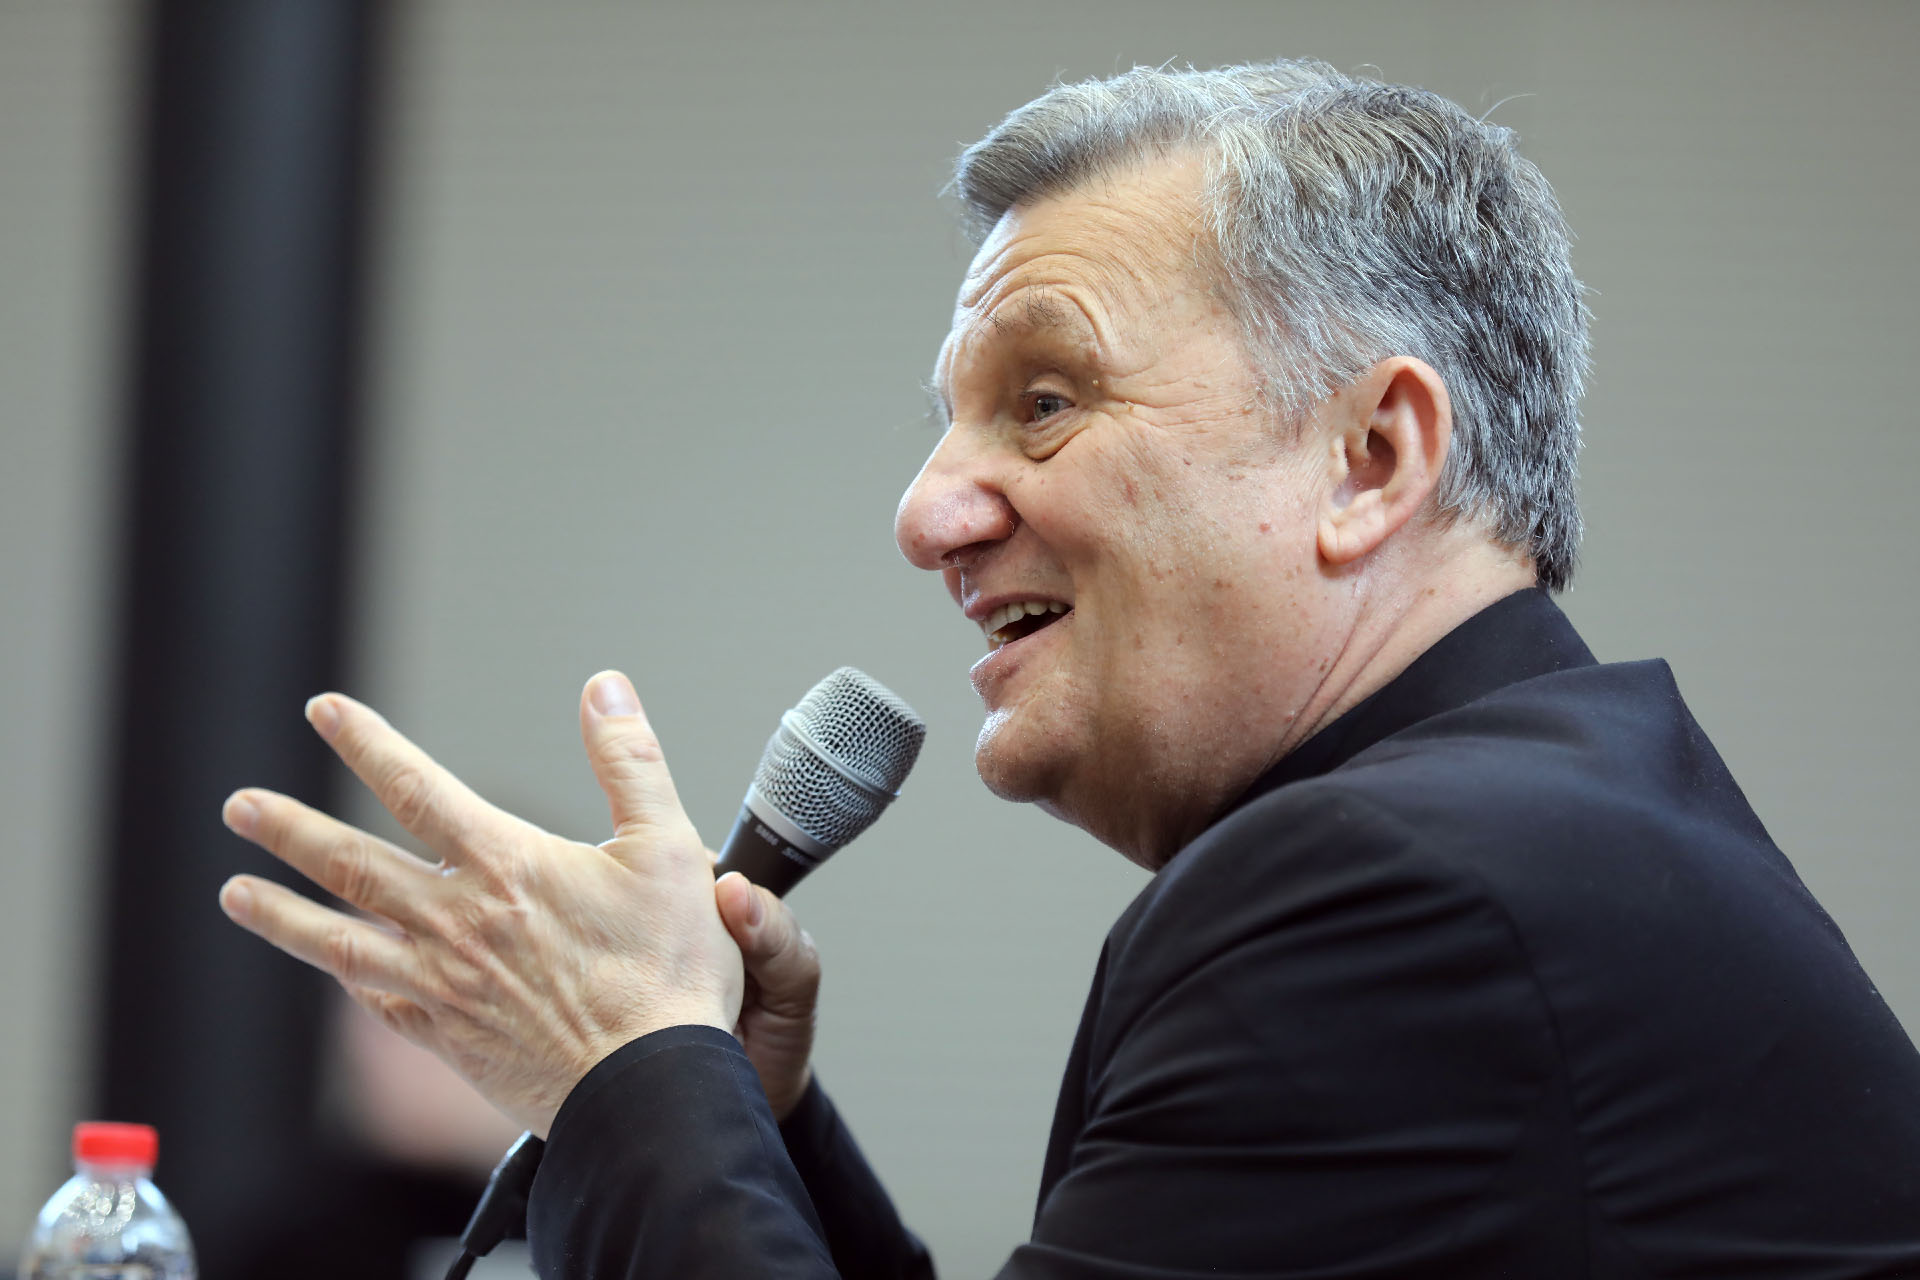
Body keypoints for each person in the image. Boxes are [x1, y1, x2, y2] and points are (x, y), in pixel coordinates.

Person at [217, 60, 1920, 1277]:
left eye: (1044, 400)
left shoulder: (1395, 892)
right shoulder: (1539, 819)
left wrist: (620, 1069)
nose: (925, 511)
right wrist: (742, 1121)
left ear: (1373, 458)